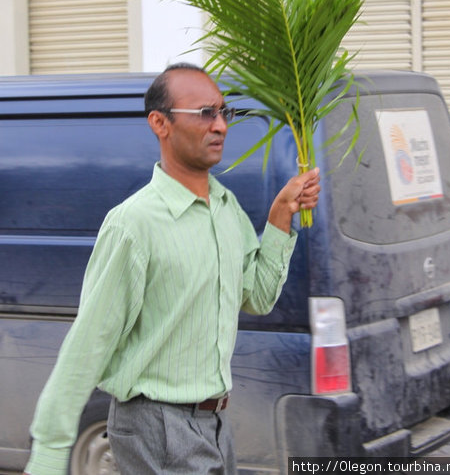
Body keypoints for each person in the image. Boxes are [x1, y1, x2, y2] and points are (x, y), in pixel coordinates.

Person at [24, 63, 321, 475]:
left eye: (224, 112)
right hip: (155, 426)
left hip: (216, 423)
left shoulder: (226, 208)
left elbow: (259, 297)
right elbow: (89, 342)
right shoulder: (133, 224)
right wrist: (50, 455)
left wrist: (280, 216)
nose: (220, 126)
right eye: (205, 113)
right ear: (160, 124)